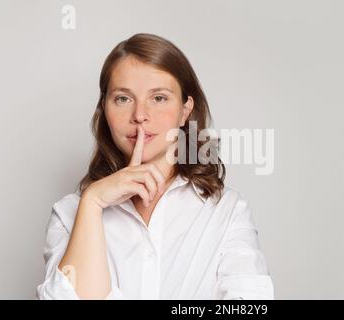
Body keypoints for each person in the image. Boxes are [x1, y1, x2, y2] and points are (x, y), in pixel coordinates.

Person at [36, 33, 274, 300]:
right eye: (123, 99)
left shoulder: (227, 211)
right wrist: (92, 203)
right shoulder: (70, 214)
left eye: (159, 98)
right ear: (104, 108)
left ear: (185, 110)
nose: (140, 115)